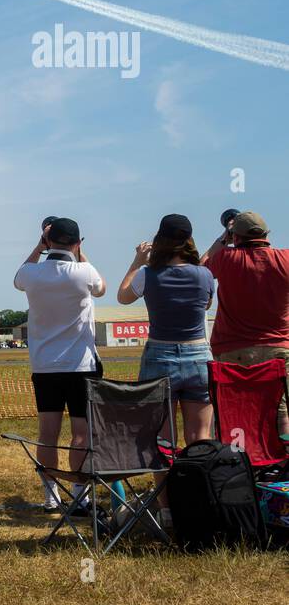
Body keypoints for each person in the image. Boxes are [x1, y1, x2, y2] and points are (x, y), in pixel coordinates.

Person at [117, 215, 215, 527]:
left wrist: (137, 260)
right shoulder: (205, 275)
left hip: (160, 356)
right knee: (200, 437)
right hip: (199, 354)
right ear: (189, 240)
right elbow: (207, 304)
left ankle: (169, 509)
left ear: (160, 238)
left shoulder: (148, 274)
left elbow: (123, 295)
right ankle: (200, 504)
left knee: (162, 442)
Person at [14, 217, 105, 512]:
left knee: (47, 432)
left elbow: (18, 278)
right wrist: (80, 254)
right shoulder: (83, 272)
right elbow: (101, 288)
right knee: (81, 432)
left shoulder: (32, 273)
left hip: (45, 366)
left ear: (48, 242)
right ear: (78, 243)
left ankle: (51, 495)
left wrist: (38, 247)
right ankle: (80, 494)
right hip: (80, 366)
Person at [201, 210, 289, 437]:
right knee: (281, 412)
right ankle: (281, 465)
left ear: (235, 237)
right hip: (279, 348)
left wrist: (223, 239)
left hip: (233, 349)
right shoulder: (285, 258)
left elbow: (200, 271)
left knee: (235, 412)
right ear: (266, 235)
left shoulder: (225, 259)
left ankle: (239, 465)